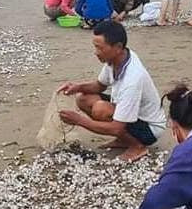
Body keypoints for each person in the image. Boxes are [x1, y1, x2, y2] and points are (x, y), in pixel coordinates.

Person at [57, 21, 166, 162]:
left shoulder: (133, 78)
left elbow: (116, 127)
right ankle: (125, 140)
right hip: (131, 114)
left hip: (150, 128)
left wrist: (79, 121)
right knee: (83, 98)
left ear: (118, 47)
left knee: (101, 109)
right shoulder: (116, 59)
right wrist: (77, 87)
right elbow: (99, 86)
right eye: (95, 47)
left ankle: (137, 146)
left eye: (99, 48)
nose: (96, 52)